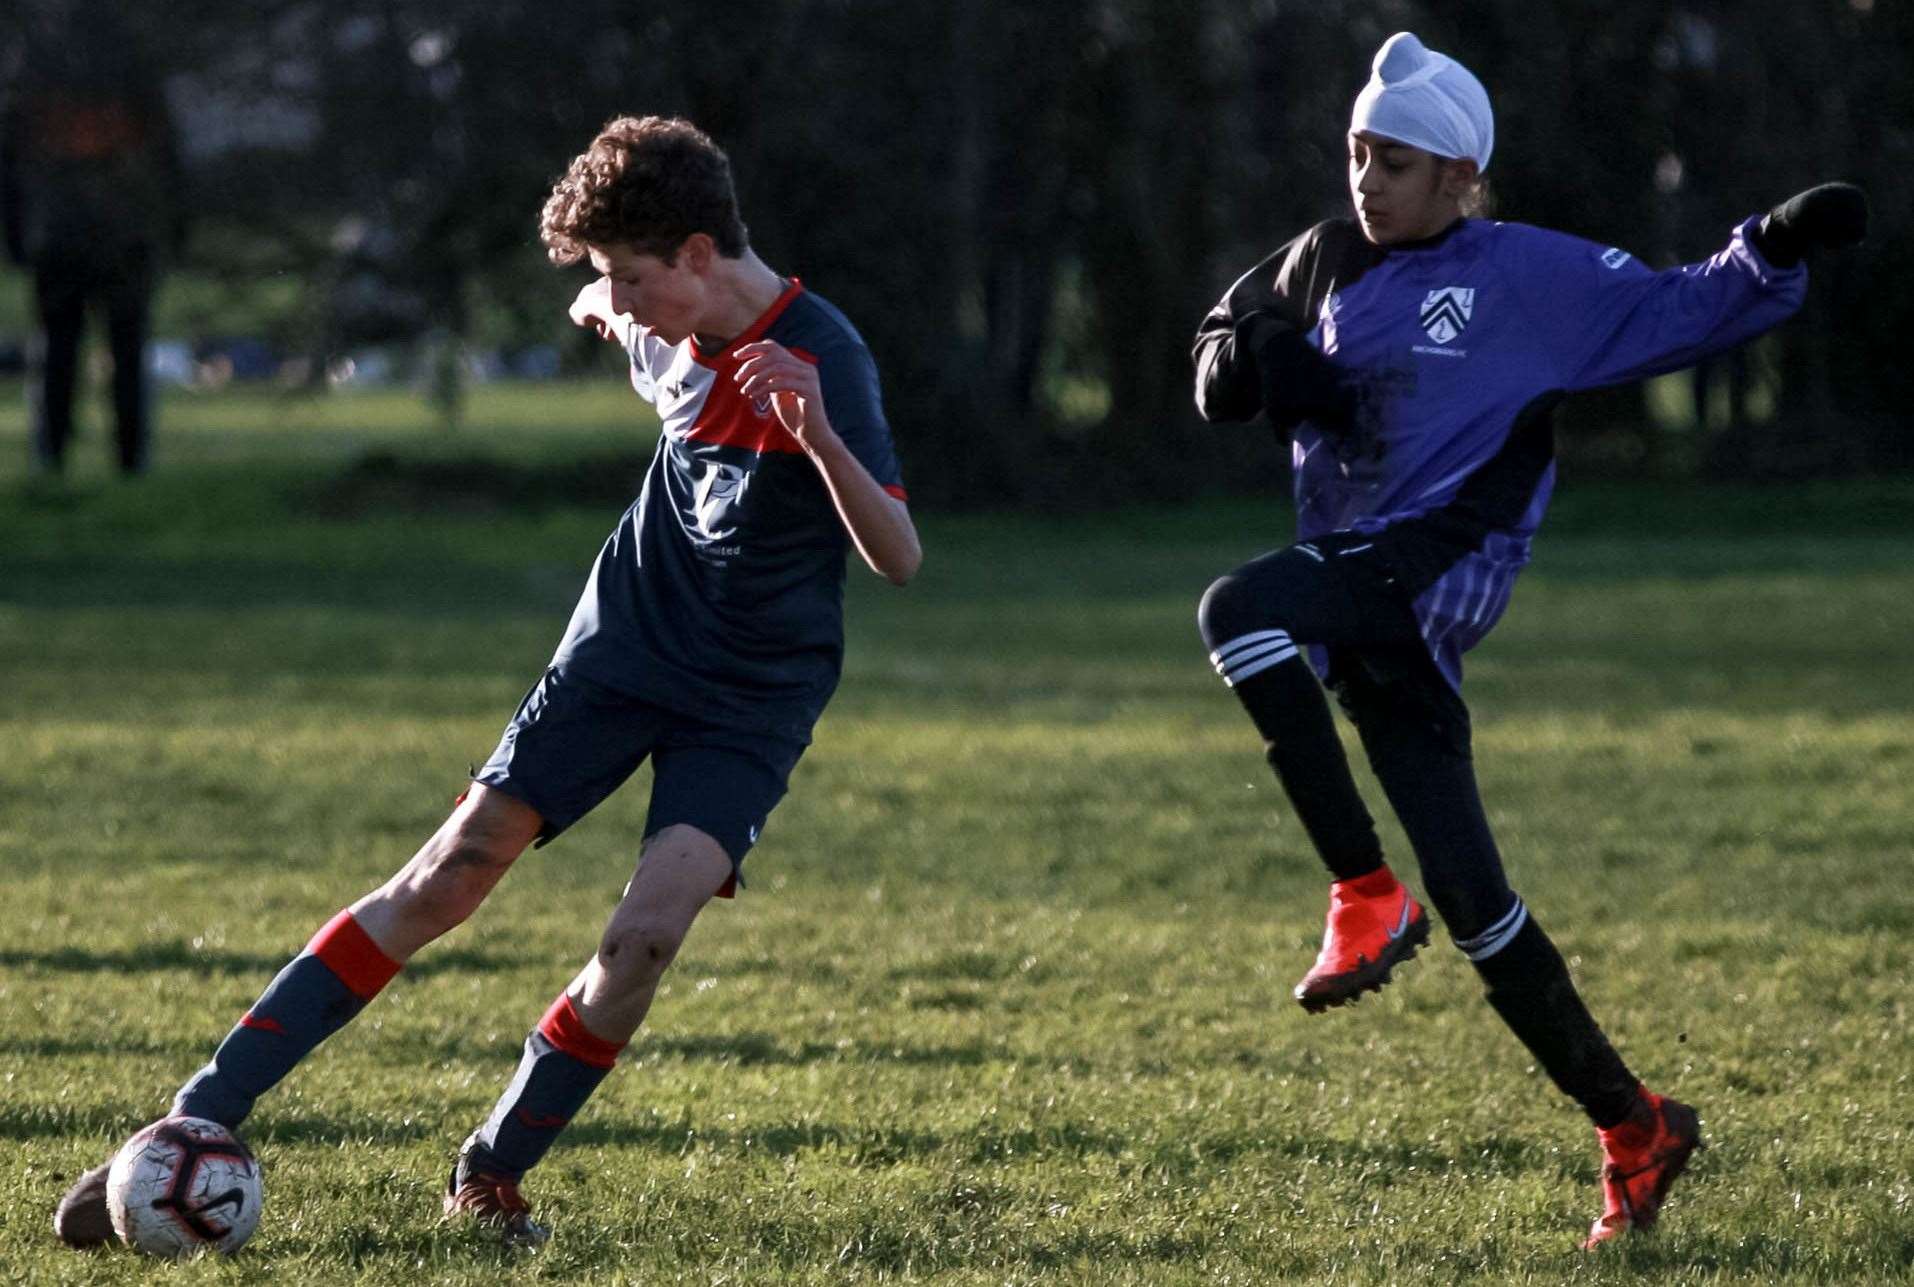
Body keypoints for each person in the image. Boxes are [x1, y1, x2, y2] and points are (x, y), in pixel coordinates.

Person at [54, 115, 920, 1248]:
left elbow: (898, 556)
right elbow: (613, 318)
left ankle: (492, 1167)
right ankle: (192, 1120)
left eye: (634, 274)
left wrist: (814, 433)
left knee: (646, 940)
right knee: (448, 877)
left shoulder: (823, 359)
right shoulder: (663, 322)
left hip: (754, 690)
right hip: (625, 647)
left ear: (701, 254)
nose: (621, 298)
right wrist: (605, 298)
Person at [1191, 32, 1865, 1249]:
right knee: (1483, 910)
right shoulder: (1324, 259)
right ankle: (1635, 1124)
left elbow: (1679, 307)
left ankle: (1360, 893)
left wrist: (1770, 240)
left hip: (1428, 572)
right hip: (1372, 608)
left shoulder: (1529, 277)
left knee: (1238, 613)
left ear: (1461, 177)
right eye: (1355, 154)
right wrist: (1251, 360)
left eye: (1393, 161)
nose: (1365, 180)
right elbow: (1216, 348)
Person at [1, 4, 186, 477]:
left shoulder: (40, 61)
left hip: (61, 232)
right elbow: (167, 154)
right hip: (119, 231)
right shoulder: (131, 61)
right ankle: (128, 458)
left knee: (61, 353)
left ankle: (55, 456)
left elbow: (12, 158)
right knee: (122, 353)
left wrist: (17, 230)